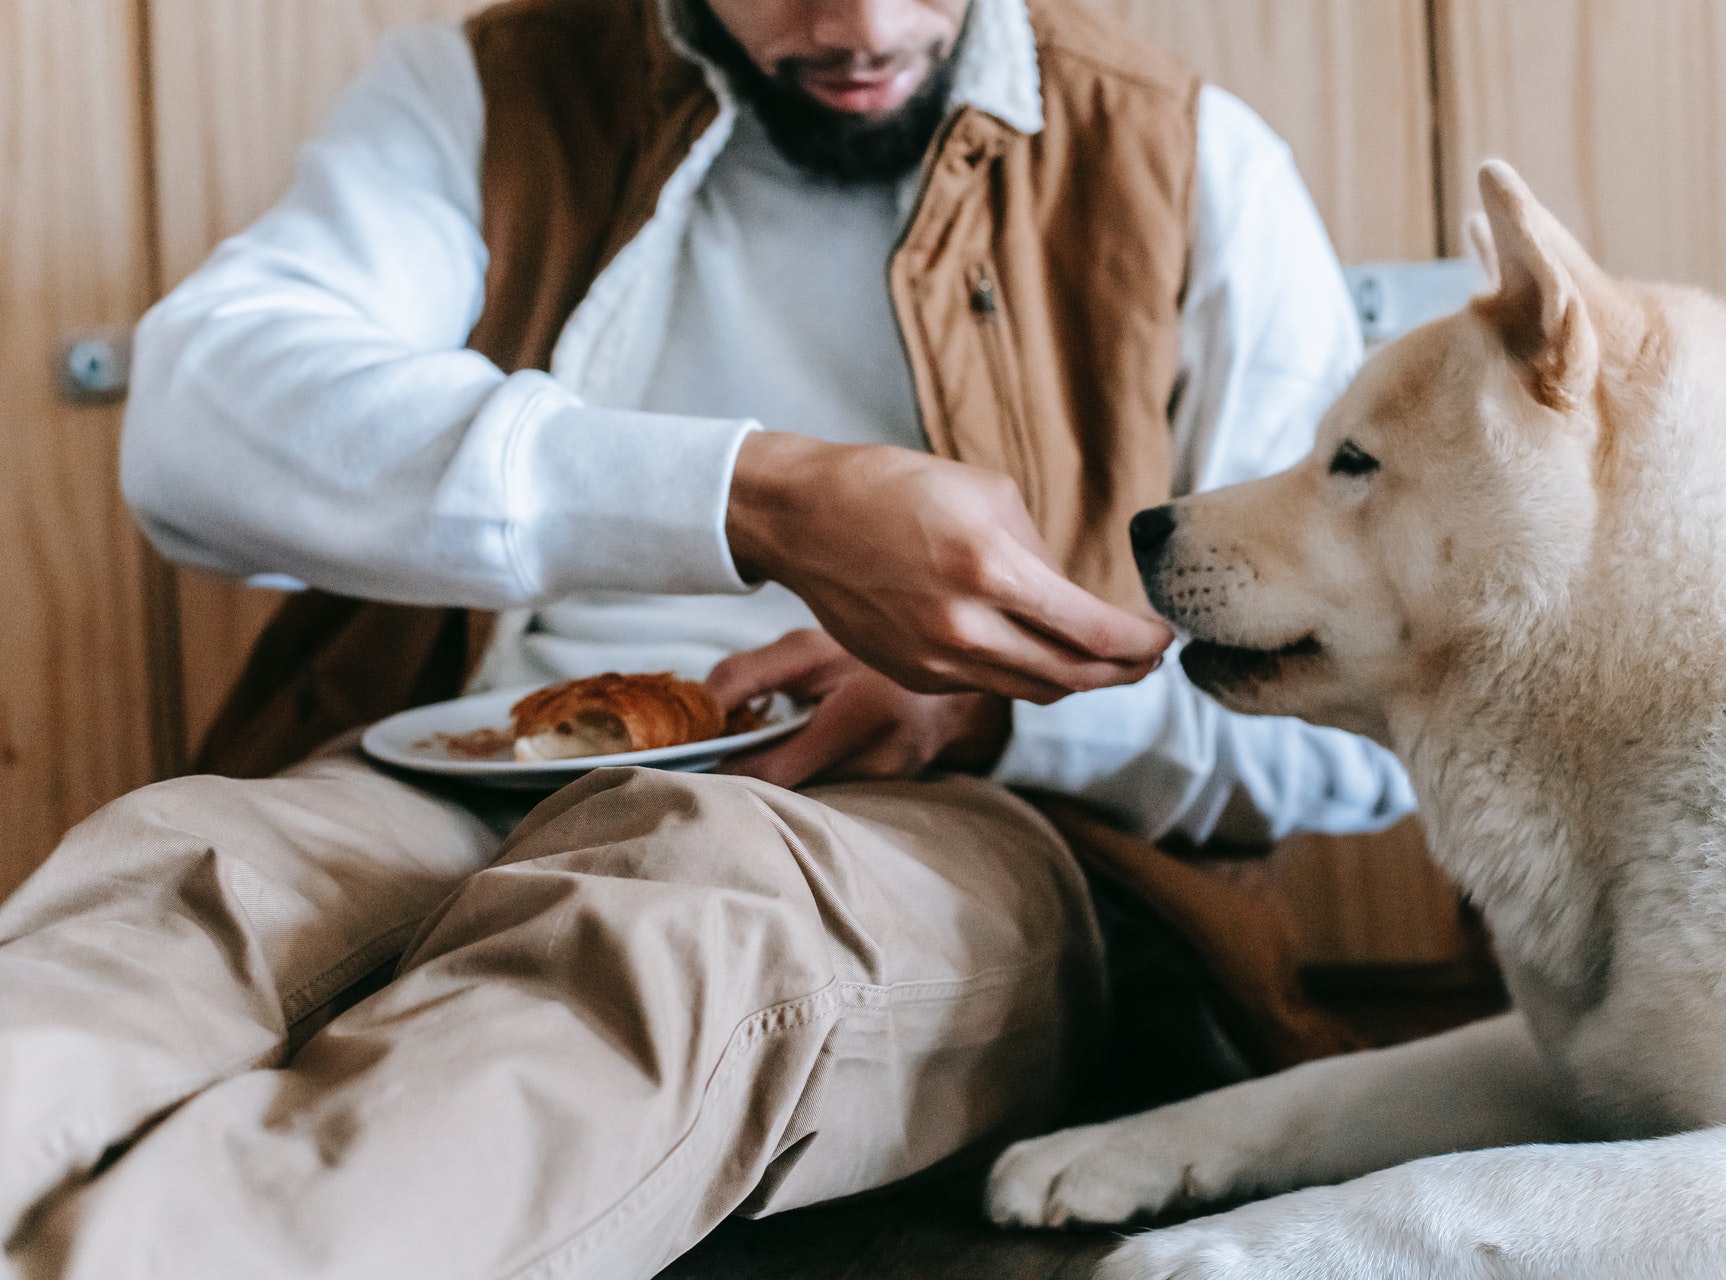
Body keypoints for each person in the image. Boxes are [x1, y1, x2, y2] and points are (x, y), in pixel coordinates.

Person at [0, 0, 1413, 1275]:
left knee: (688, 922)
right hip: (474, 755)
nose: (858, 24)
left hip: (942, 816)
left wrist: (985, 707)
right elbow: (197, 422)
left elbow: (1367, 732)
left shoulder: (1185, 160)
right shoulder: (486, 91)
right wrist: (753, 498)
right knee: (184, 879)